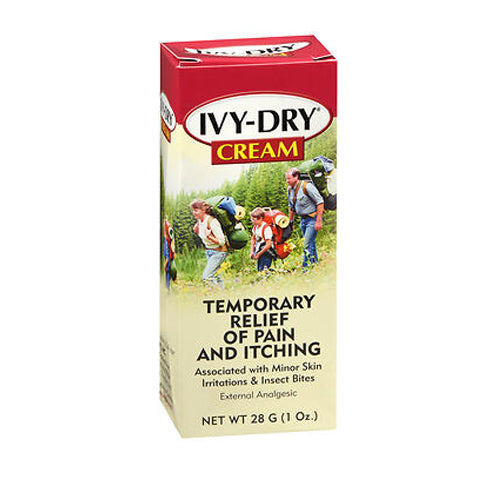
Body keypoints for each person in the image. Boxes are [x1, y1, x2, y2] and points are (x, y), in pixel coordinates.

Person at [286, 167, 324, 268]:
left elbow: (320, 202)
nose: (287, 181)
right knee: (310, 243)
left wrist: (318, 221)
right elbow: (291, 207)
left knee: (306, 244)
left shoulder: (307, 186)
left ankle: (306, 268)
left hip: (312, 218)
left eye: (289, 178)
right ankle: (315, 265)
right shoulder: (289, 190)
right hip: (303, 220)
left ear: (296, 177)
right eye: (286, 179)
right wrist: (290, 222)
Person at [190, 199, 228, 288]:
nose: (194, 213)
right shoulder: (200, 221)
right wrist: (197, 231)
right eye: (193, 210)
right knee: (216, 275)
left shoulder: (212, 222)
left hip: (219, 252)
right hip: (209, 251)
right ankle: (221, 293)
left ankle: (213, 292)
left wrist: (210, 237)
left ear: (203, 210)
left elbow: (222, 241)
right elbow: (203, 236)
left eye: (196, 210)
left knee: (207, 277)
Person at [249, 207, 275, 272]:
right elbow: (253, 239)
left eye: (254, 220)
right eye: (251, 219)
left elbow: (268, 244)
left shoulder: (266, 229)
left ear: (260, 218)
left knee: (263, 271)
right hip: (259, 251)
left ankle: (271, 274)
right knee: (259, 269)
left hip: (266, 253)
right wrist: (252, 251)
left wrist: (259, 254)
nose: (252, 221)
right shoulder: (256, 227)